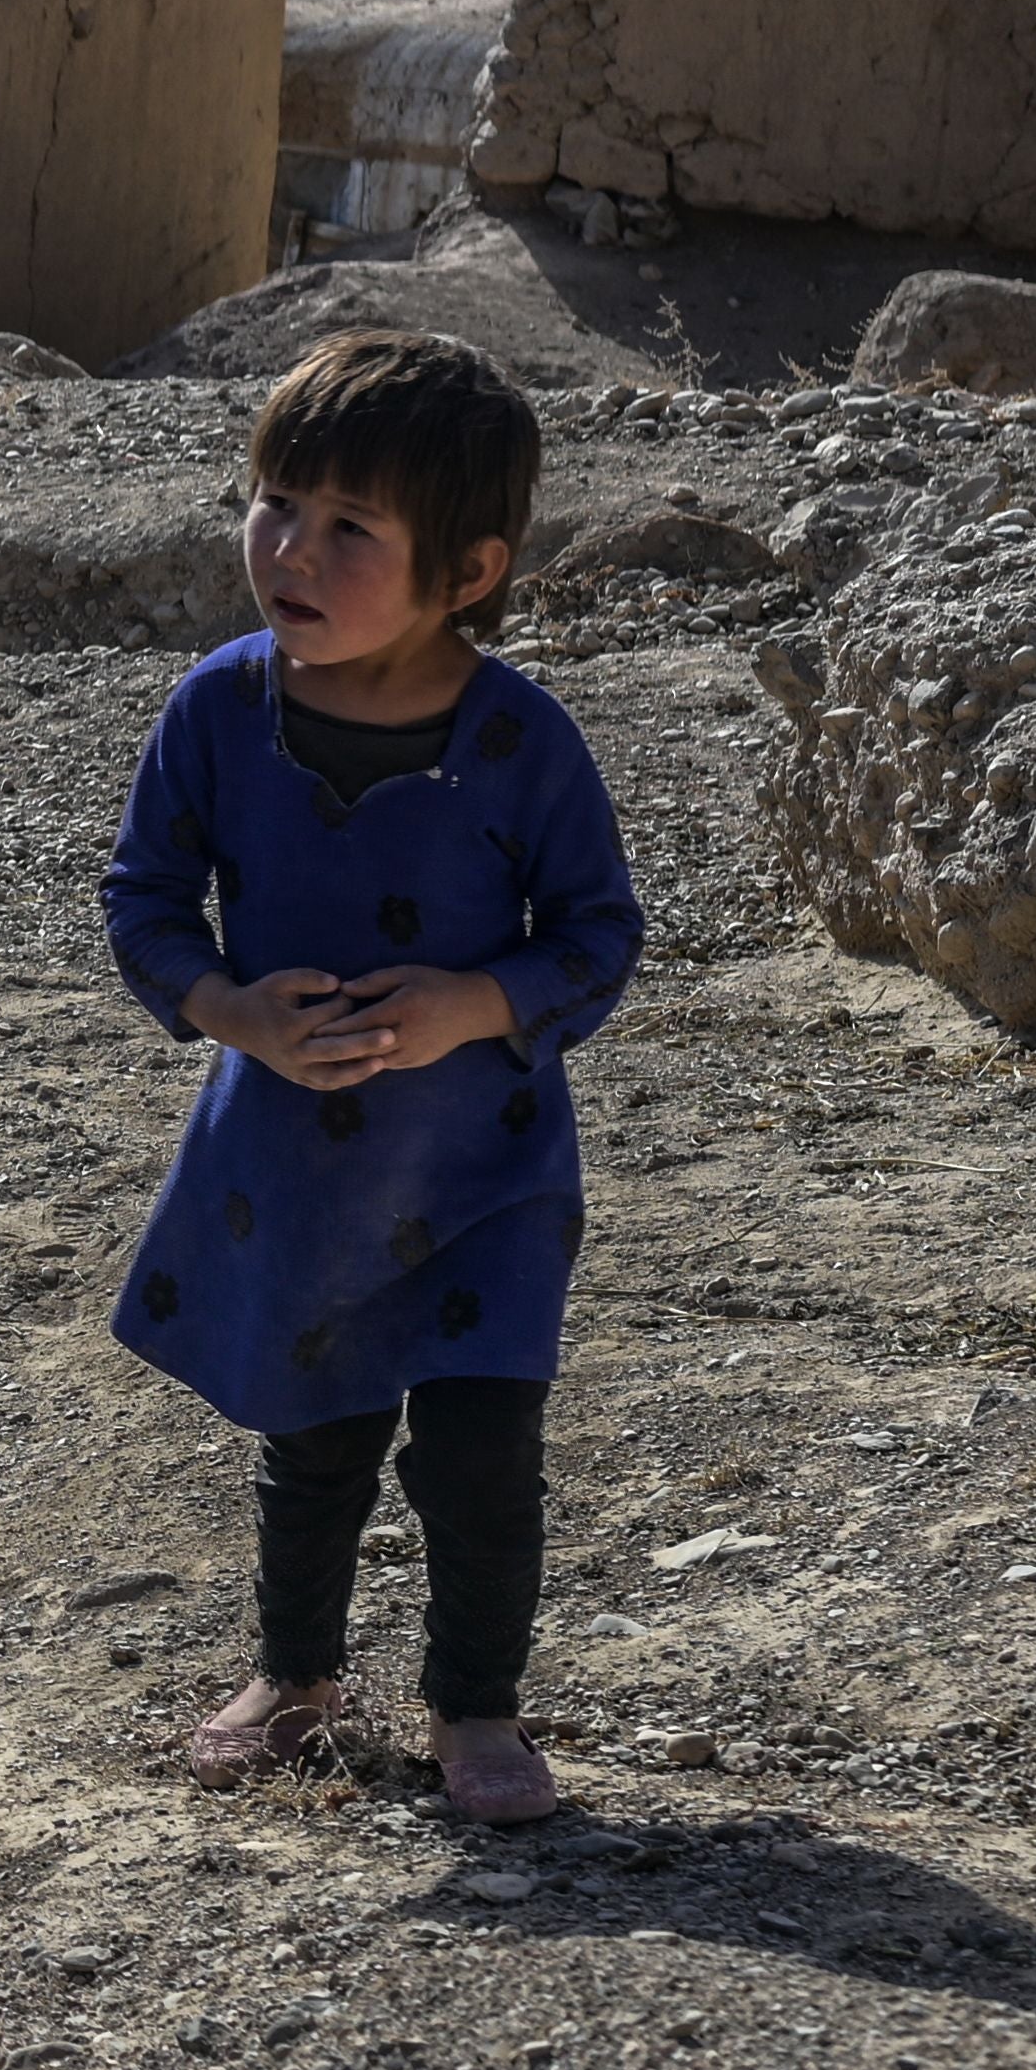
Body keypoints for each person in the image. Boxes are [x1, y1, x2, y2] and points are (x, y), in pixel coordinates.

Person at [100, 328, 640, 1830]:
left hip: (488, 1169)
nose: (294, 549)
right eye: (276, 502)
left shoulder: (522, 742)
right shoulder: (217, 711)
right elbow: (141, 904)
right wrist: (233, 1011)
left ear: (467, 572)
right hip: (297, 1161)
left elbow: (600, 938)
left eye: (352, 529)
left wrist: (478, 1000)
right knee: (314, 1431)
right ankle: (297, 1678)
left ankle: (476, 1708)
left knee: (480, 1451)